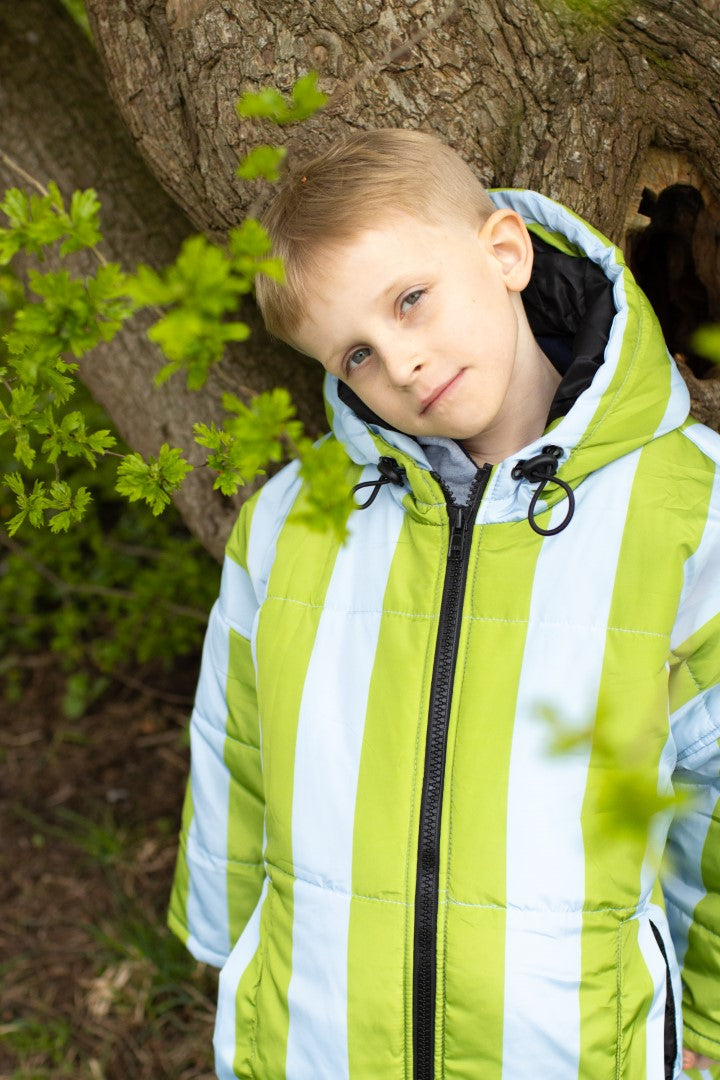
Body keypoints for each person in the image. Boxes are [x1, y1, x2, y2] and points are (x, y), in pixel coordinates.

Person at [168, 129, 720, 1080]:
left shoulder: (690, 511)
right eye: (357, 355)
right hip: (319, 1043)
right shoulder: (294, 522)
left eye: (410, 300)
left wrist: (706, 1020)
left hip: (572, 1046)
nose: (402, 364)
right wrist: (226, 958)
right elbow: (235, 750)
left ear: (505, 253)